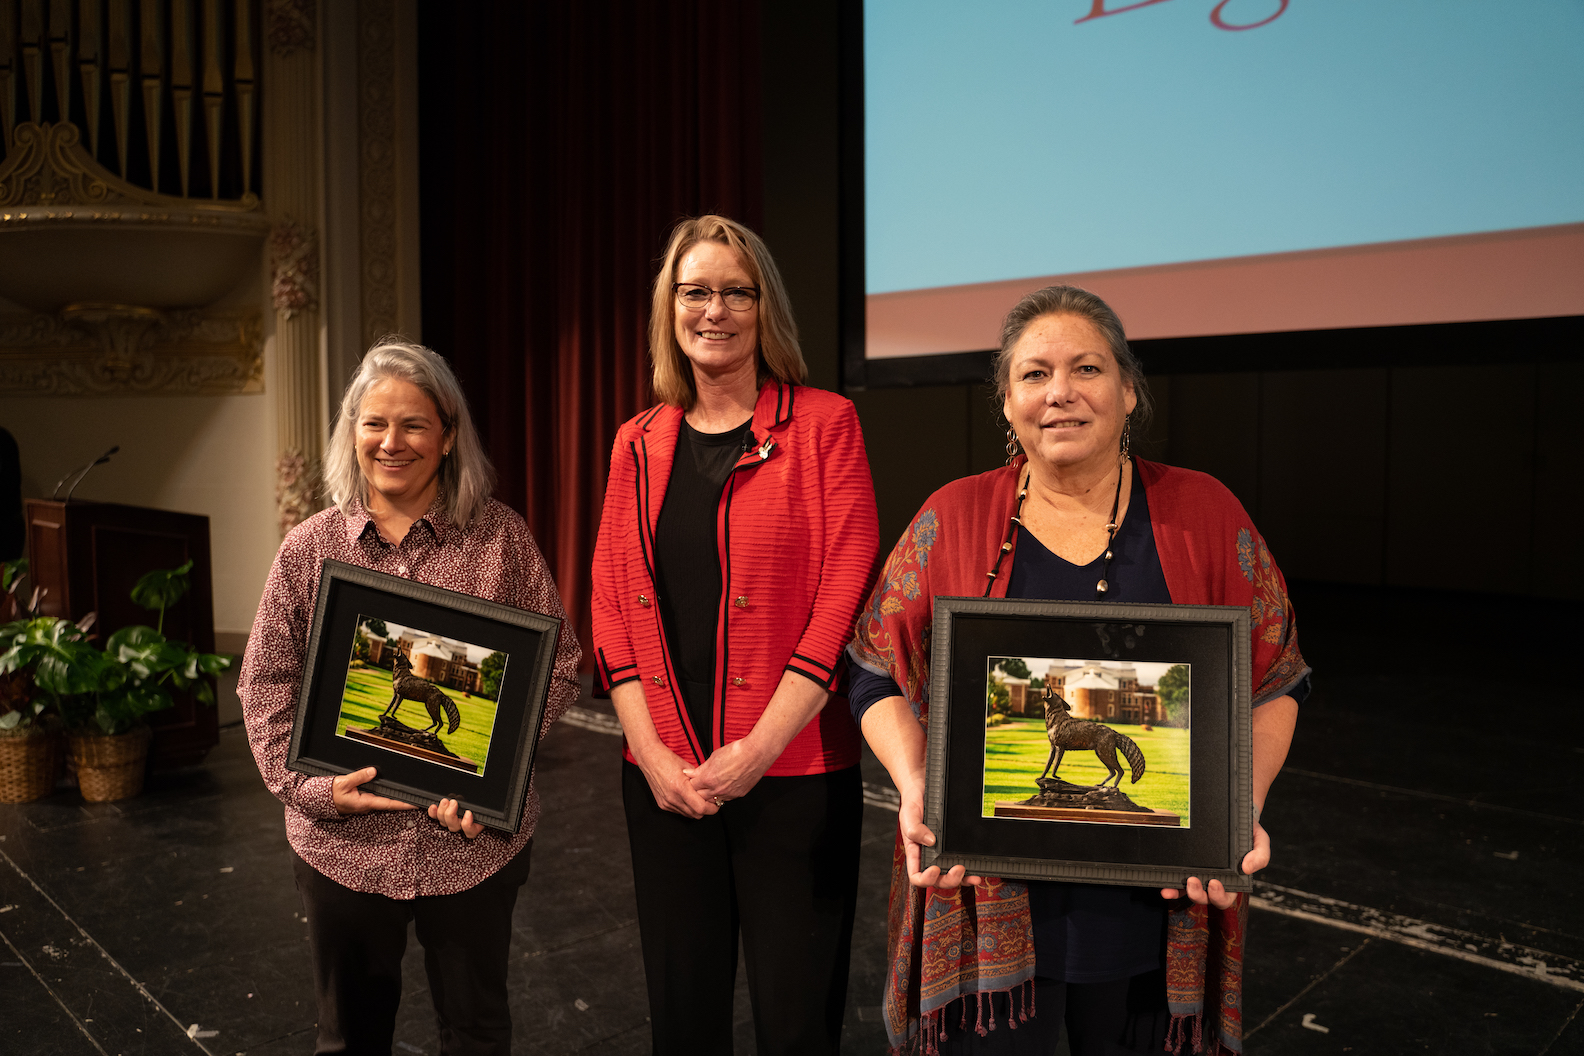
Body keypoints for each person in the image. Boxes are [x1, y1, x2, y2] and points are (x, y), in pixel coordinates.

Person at [849, 286, 1308, 1056]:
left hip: (1157, 913)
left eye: (1087, 368)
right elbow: (874, 669)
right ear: (1007, 402)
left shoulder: (1204, 513)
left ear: (1129, 391)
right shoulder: (951, 517)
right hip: (985, 910)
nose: (1059, 391)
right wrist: (918, 782)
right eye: (1034, 374)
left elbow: (1276, 679)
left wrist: (1238, 809)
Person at [238, 340, 581, 1055]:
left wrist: (493, 773)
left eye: (414, 424)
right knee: (349, 1040)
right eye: (375, 423)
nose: (391, 442)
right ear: (353, 432)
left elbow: (557, 668)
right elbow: (265, 682)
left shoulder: (501, 541)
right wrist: (315, 791)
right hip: (343, 848)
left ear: (448, 436)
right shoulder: (309, 549)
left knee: (476, 1034)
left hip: (470, 846)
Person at [590, 214, 879, 1055]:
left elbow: (844, 598)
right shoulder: (636, 443)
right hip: (666, 781)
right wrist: (651, 755)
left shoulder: (825, 425)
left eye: (734, 293)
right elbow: (610, 607)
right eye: (695, 293)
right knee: (683, 1021)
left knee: (797, 1025)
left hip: (794, 776)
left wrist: (756, 750)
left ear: (764, 307)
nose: (713, 311)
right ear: (669, 309)